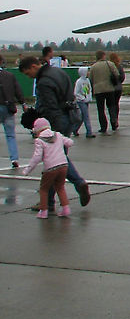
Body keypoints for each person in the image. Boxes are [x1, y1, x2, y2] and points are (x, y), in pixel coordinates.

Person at [17, 56, 91, 210]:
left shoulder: (43, 82)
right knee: (56, 158)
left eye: (27, 73)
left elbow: (49, 107)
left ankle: (78, 183)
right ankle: (49, 201)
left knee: (54, 160)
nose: (28, 76)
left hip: (57, 120)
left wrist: (45, 130)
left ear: (33, 66)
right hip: (71, 116)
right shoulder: (58, 72)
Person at [19, 118, 73, 219]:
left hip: (50, 168)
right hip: (63, 165)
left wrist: (27, 170)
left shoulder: (40, 141)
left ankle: (43, 211)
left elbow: (37, 158)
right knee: (60, 187)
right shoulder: (58, 135)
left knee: (44, 189)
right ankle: (65, 209)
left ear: (38, 130)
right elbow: (70, 143)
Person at [0, 55, 26, 168]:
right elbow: (18, 90)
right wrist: (23, 103)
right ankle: (14, 158)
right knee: (10, 135)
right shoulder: (10, 76)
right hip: (8, 106)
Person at [89, 50, 120, 134]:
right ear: (103, 56)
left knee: (101, 109)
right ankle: (114, 123)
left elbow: (90, 79)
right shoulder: (110, 64)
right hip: (109, 88)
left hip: (98, 90)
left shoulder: (93, 67)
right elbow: (116, 74)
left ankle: (103, 127)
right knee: (111, 107)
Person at [72, 66, 96, 138]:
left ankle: (75, 129)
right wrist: (82, 98)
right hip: (81, 101)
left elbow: (89, 90)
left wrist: (89, 98)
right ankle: (89, 132)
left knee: (82, 117)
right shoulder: (79, 82)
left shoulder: (87, 80)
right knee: (86, 116)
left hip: (86, 101)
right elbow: (76, 93)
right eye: (87, 71)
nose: (88, 73)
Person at [109, 52, 125, 126]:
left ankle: (113, 119)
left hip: (111, 88)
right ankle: (116, 119)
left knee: (111, 105)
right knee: (116, 104)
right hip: (118, 87)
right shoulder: (119, 67)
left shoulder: (109, 66)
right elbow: (122, 77)